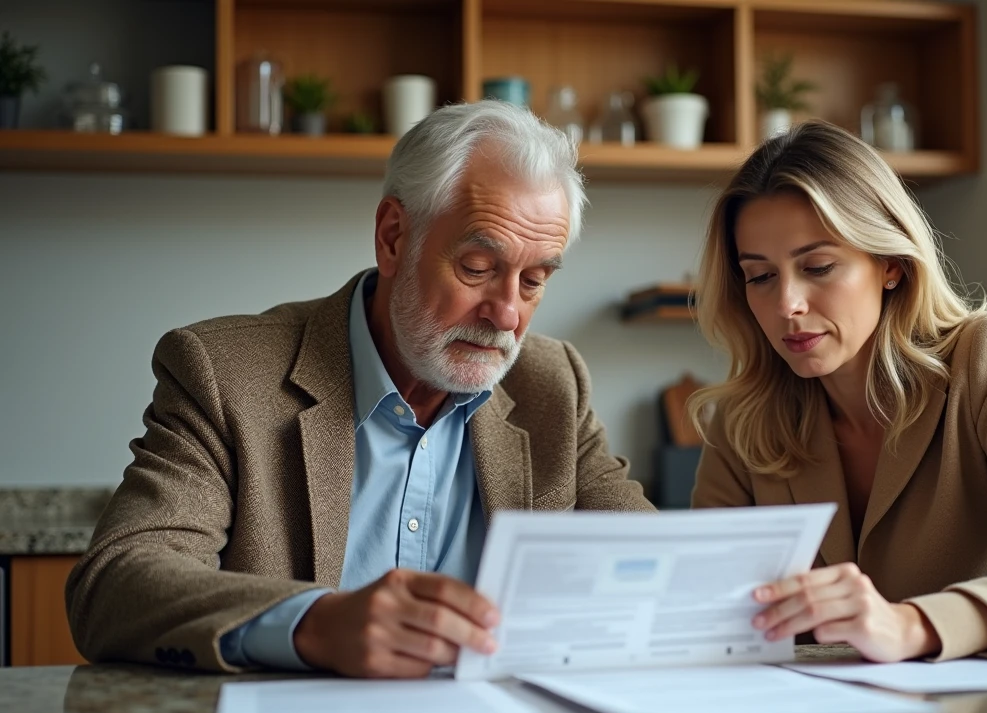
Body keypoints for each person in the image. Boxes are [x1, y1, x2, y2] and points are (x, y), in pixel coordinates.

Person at [66, 100, 653, 677]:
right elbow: (117, 582)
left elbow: (649, 558)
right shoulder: (225, 373)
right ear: (394, 236)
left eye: (533, 281)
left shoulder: (551, 383)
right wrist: (316, 623)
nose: (506, 314)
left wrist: (740, 601)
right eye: (477, 268)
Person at [688, 120, 987, 662]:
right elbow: (703, 610)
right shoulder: (741, 417)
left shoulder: (986, 359)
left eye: (818, 267)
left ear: (890, 265)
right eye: (760, 277)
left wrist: (911, 625)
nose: (787, 305)